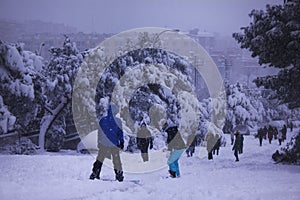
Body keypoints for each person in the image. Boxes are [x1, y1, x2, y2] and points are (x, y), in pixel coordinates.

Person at [90, 104, 125, 182]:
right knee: (116, 160)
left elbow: (100, 132)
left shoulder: (103, 120)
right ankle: (119, 175)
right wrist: (121, 141)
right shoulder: (118, 121)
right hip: (114, 143)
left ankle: (95, 173)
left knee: (100, 159)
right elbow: (120, 132)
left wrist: (99, 142)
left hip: (104, 143)